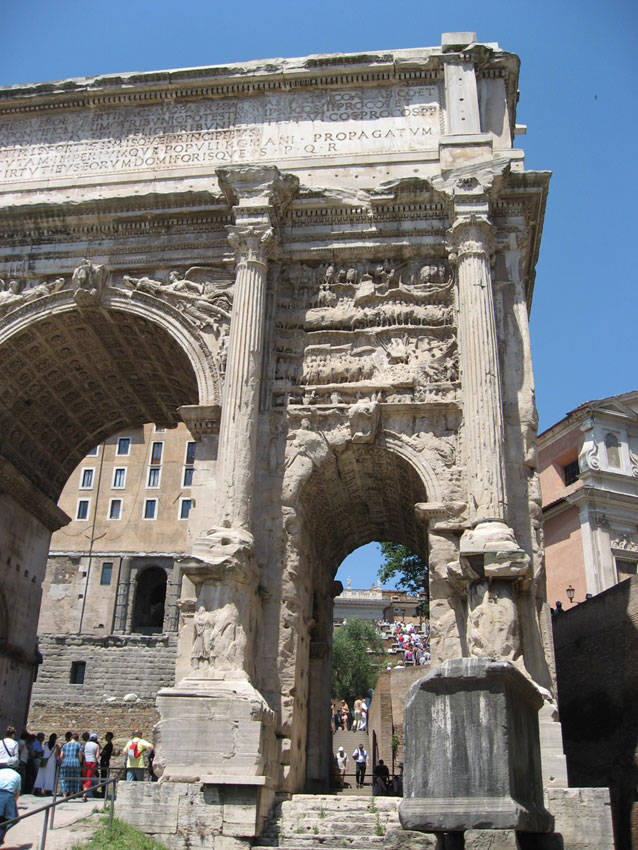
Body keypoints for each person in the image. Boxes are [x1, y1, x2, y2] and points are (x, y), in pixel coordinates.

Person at [0, 756, 21, 846]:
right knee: (13, 820)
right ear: (17, 766)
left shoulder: (1, 771)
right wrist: (13, 803)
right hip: (8, 796)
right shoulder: (17, 775)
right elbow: (17, 793)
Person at [59, 733, 82, 798]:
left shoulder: (65, 745)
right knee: (74, 778)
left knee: (64, 778)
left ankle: (64, 795)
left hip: (65, 762)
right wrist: (79, 762)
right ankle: (71, 794)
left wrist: (63, 761)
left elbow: (61, 756)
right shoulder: (78, 745)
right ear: (77, 738)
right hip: (74, 762)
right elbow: (80, 755)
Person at [82, 734, 99, 801]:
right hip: (92, 762)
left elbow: (82, 752)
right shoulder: (96, 745)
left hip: (86, 761)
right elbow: (97, 756)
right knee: (89, 778)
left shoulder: (85, 744)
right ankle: (85, 794)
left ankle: (84, 791)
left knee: (84, 777)